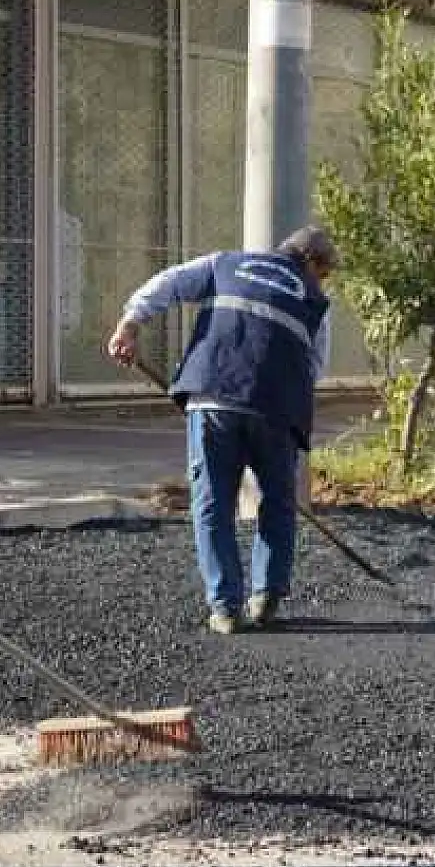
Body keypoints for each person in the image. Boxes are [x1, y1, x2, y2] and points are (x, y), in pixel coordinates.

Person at [106, 226, 338, 635]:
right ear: (313, 264)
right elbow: (313, 367)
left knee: (213, 502)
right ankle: (267, 596)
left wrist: (130, 324)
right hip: (277, 409)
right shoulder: (317, 300)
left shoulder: (225, 263)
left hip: (213, 397)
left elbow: (168, 284)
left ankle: (226, 608)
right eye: (325, 273)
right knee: (279, 503)